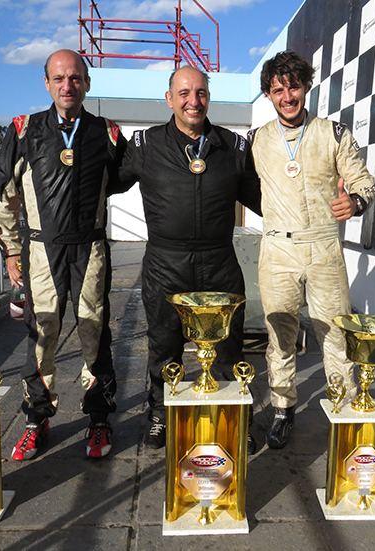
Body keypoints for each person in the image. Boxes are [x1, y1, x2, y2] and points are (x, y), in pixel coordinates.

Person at [114, 66, 262, 449]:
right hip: (166, 261)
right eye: (183, 93)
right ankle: (162, 412)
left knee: (229, 345)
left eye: (200, 93)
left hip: (219, 261)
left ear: (209, 97)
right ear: (169, 99)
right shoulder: (144, 145)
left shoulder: (232, 147)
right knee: (164, 344)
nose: (193, 101)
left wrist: (311, 197)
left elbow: (262, 198)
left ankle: (235, 413)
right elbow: (105, 182)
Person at [0, 49, 127, 460]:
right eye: (59, 78)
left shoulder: (107, 132)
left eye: (75, 78)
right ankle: (37, 419)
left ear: (87, 83)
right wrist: (12, 251)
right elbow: (3, 196)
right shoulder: (23, 129)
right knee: (41, 333)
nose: (67, 86)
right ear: (47, 83)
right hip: (40, 248)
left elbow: (123, 180)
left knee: (94, 330)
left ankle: (99, 419)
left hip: (89, 246)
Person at [249, 50, 375, 449]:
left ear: (306, 87)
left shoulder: (333, 133)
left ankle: (344, 408)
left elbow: (364, 182)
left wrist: (355, 202)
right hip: (277, 249)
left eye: (294, 87)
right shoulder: (257, 140)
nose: (288, 96)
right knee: (280, 335)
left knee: (335, 334)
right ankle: (283, 407)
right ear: (269, 95)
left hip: (323, 247)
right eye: (278, 90)